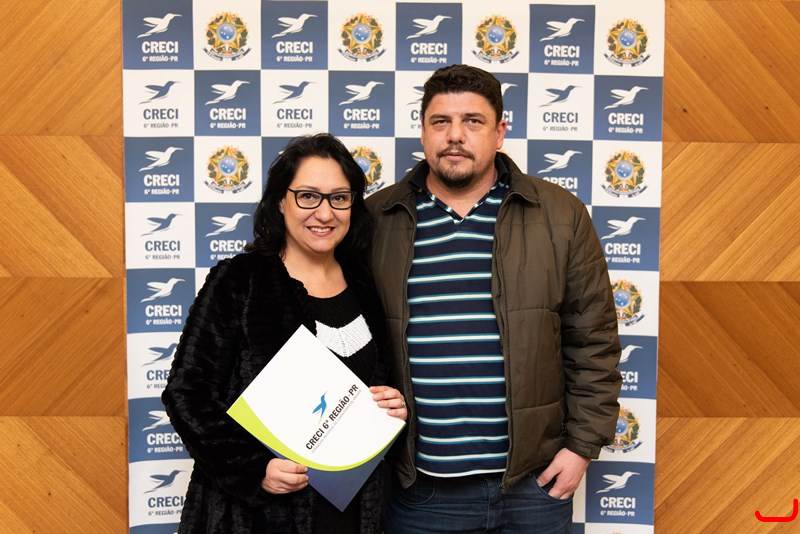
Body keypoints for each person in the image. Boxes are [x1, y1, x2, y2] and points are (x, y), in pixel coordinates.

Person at [366, 64, 622, 533]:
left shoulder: (559, 214)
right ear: (422, 131)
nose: (455, 135)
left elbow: (593, 341)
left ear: (500, 132)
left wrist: (581, 448)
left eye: (473, 121)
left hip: (532, 488)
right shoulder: (376, 218)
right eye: (440, 121)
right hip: (419, 490)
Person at [162, 133, 407, 534]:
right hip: (255, 517)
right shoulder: (240, 280)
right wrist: (253, 469)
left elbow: (374, 388)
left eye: (339, 198)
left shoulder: (365, 284)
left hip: (353, 514)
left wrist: (393, 407)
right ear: (280, 201)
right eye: (308, 196)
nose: (324, 213)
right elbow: (187, 392)